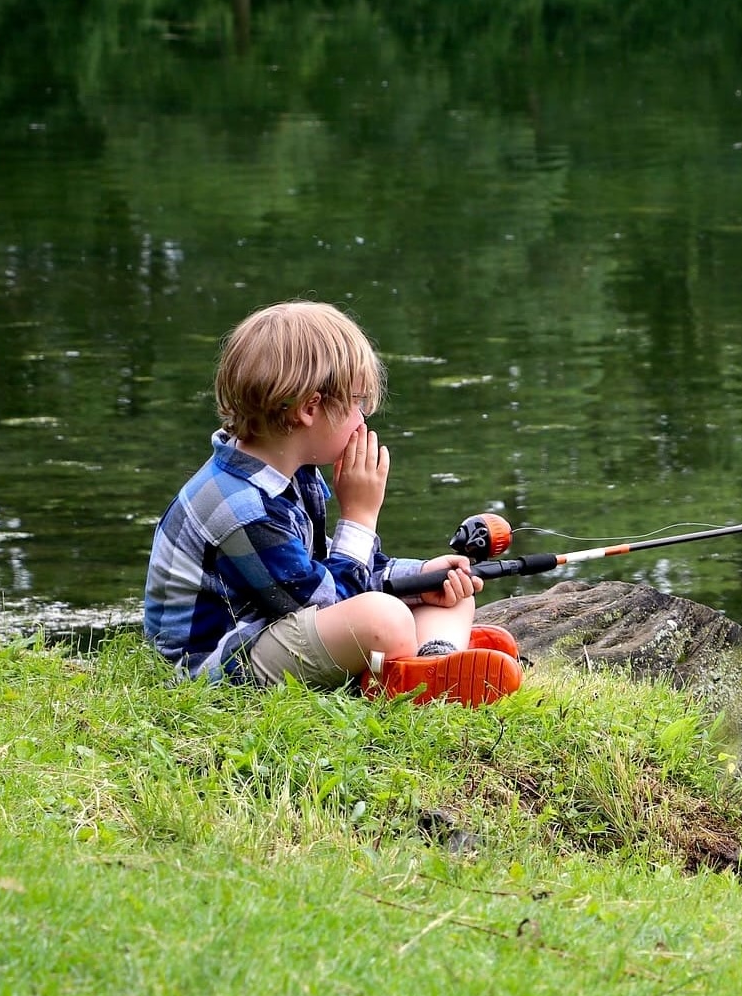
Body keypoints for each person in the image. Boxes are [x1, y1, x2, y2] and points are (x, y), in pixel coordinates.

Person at [143, 300, 520, 705]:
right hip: (218, 663)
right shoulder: (240, 506)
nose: (363, 421)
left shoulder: (293, 474)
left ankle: (433, 661)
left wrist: (422, 576)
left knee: (451, 587)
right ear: (309, 409)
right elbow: (324, 601)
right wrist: (359, 517)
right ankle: (423, 661)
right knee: (383, 618)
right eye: (357, 403)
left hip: (281, 621)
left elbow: (330, 574)